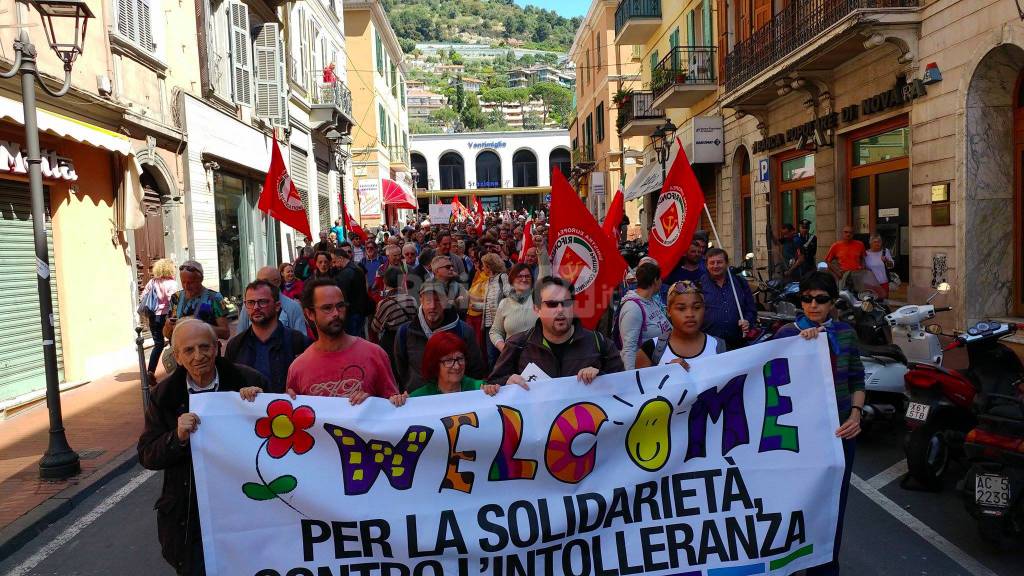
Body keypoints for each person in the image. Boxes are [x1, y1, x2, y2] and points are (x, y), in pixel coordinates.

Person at [138, 319, 266, 576]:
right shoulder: (164, 396)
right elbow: (147, 454)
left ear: (217, 348)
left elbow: (280, 439)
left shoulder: (248, 380)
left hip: (244, 509)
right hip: (190, 515)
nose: (198, 356)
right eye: (189, 350)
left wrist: (261, 405)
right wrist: (176, 437)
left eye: (204, 347)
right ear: (177, 356)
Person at [772, 271, 865, 575]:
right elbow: (765, 377)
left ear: (832, 302)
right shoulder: (787, 334)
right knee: (793, 503)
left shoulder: (847, 333)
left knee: (831, 507)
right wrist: (799, 346)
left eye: (820, 299)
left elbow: (857, 379)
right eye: (807, 299)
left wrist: (855, 415)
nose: (813, 305)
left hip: (839, 435)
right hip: (799, 438)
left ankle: (825, 567)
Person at [488, 276, 625, 387]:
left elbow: (625, 385)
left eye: (566, 303)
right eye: (552, 304)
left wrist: (601, 377)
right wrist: (507, 382)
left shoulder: (599, 343)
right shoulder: (517, 344)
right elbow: (493, 384)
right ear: (537, 309)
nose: (560, 310)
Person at [286, 278, 402, 405]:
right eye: (327, 308)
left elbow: (392, 409)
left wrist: (374, 404)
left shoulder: (375, 354)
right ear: (309, 313)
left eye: (340, 306)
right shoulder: (298, 368)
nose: (336, 313)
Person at [394, 282, 486, 393]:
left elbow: (475, 369)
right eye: (428, 300)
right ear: (420, 300)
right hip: (419, 401)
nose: (432, 306)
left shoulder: (464, 331)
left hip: (457, 400)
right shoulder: (405, 332)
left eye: (438, 300)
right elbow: (401, 369)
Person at [225, 280, 309, 393]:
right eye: (250, 303)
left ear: (277, 306)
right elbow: (227, 386)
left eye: (263, 302)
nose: (256, 307)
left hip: (286, 408)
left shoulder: (298, 341)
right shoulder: (235, 345)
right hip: (248, 409)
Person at [636, 280, 725, 368]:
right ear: (668, 311)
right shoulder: (649, 350)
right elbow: (641, 381)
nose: (690, 314)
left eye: (697, 307)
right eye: (681, 309)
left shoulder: (720, 347)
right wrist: (666, 372)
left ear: (704, 309)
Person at [400, 332, 501, 398]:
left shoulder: (479, 389)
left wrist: (493, 392)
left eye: (460, 359)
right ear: (435, 364)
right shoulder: (419, 397)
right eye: (448, 361)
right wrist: (399, 402)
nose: (457, 366)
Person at [617, 261, 672, 371]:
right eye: (660, 279)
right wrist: (632, 378)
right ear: (655, 280)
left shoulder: (651, 300)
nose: (661, 282)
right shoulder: (633, 308)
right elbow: (629, 349)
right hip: (647, 371)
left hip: (661, 366)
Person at [699, 248, 757, 350]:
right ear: (706, 265)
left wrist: (747, 320)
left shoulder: (740, 282)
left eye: (719, 262)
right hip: (709, 345)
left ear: (726, 263)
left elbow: (751, 310)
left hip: (737, 343)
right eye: (712, 263)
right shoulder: (699, 285)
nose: (716, 266)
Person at [164, 261, 229, 342]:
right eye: (183, 282)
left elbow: (226, 333)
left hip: (205, 352)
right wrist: (167, 326)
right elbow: (167, 335)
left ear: (201, 279)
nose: (186, 286)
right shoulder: (175, 297)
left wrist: (198, 326)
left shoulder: (215, 298)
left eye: (191, 282)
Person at [371, 266, 419, 376]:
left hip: (391, 340)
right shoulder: (411, 299)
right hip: (409, 337)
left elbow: (376, 327)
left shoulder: (384, 303)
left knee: (392, 371)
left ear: (385, 281)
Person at [235, 266, 307, 334]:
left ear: (277, 282)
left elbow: (300, 341)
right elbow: (241, 334)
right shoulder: (248, 306)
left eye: (264, 282)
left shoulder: (293, 307)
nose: (259, 286)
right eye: (257, 282)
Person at [140, 258, 178, 381]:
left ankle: (150, 371)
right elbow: (174, 301)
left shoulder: (152, 282)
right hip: (167, 316)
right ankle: (177, 369)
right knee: (174, 342)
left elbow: (143, 297)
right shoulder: (172, 284)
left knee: (158, 344)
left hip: (153, 316)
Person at [490, 263, 538, 355]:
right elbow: (495, 331)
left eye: (527, 276)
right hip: (512, 358)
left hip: (536, 356)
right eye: (519, 276)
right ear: (512, 280)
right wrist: (504, 349)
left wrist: (541, 250)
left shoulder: (539, 299)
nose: (524, 279)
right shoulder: (504, 303)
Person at [332, 247, 371, 337]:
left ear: (341, 259)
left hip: (352, 314)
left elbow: (342, 296)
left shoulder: (345, 273)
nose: (334, 265)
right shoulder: (356, 268)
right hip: (359, 311)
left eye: (334, 262)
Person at [864, 233, 894, 299]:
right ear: (870, 243)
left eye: (879, 242)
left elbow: (891, 266)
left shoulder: (885, 251)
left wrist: (886, 261)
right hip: (870, 284)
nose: (877, 244)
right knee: (871, 304)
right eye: (875, 242)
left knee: (884, 303)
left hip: (883, 283)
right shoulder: (866, 254)